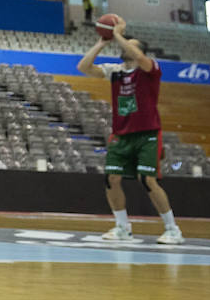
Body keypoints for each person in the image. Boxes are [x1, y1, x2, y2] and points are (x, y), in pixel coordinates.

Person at [77, 16, 184, 244]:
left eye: (131, 45)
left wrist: (118, 34)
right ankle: (122, 227)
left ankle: (173, 229)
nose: (125, 46)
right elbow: (83, 67)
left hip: (147, 133)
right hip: (121, 134)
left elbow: (140, 58)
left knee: (147, 180)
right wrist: (101, 43)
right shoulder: (115, 71)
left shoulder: (150, 69)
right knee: (111, 179)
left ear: (140, 51)